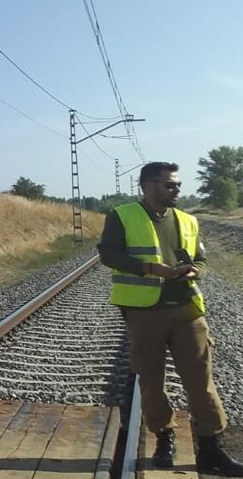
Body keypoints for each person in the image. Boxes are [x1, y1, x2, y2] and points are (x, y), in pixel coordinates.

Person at [98, 161, 243, 474]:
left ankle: (211, 449)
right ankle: (164, 438)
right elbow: (107, 254)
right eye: (170, 185)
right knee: (151, 382)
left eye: (177, 184)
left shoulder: (188, 220)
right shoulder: (123, 216)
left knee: (201, 381)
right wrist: (150, 268)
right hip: (144, 313)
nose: (178, 190)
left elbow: (202, 260)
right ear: (149, 186)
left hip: (187, 310)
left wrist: (195, 270)